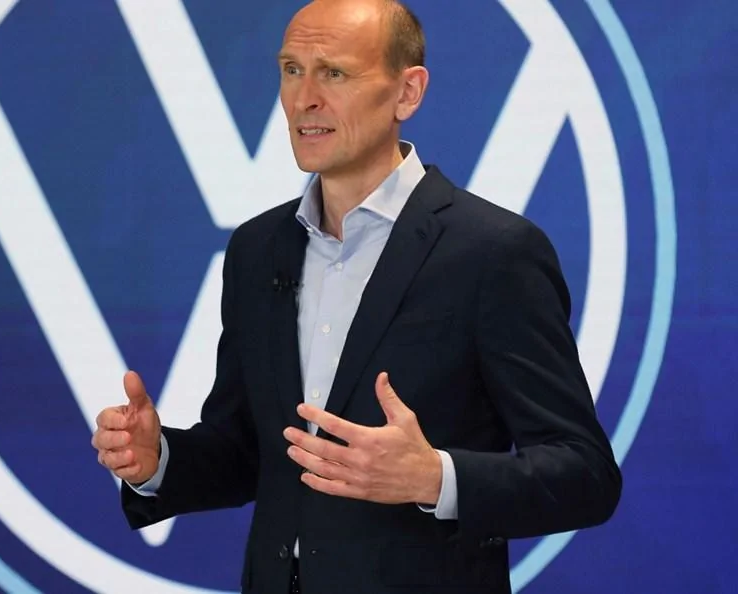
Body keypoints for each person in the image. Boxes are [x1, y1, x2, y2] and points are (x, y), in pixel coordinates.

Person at [91, 0, 622, 592]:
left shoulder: (493, 252)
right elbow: (248, 452)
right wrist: (158, 460)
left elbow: (585, 475)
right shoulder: (257, 249)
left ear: (407, 93)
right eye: (292, 70)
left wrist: (435, 478)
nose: (304, 99)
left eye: (334, 73)